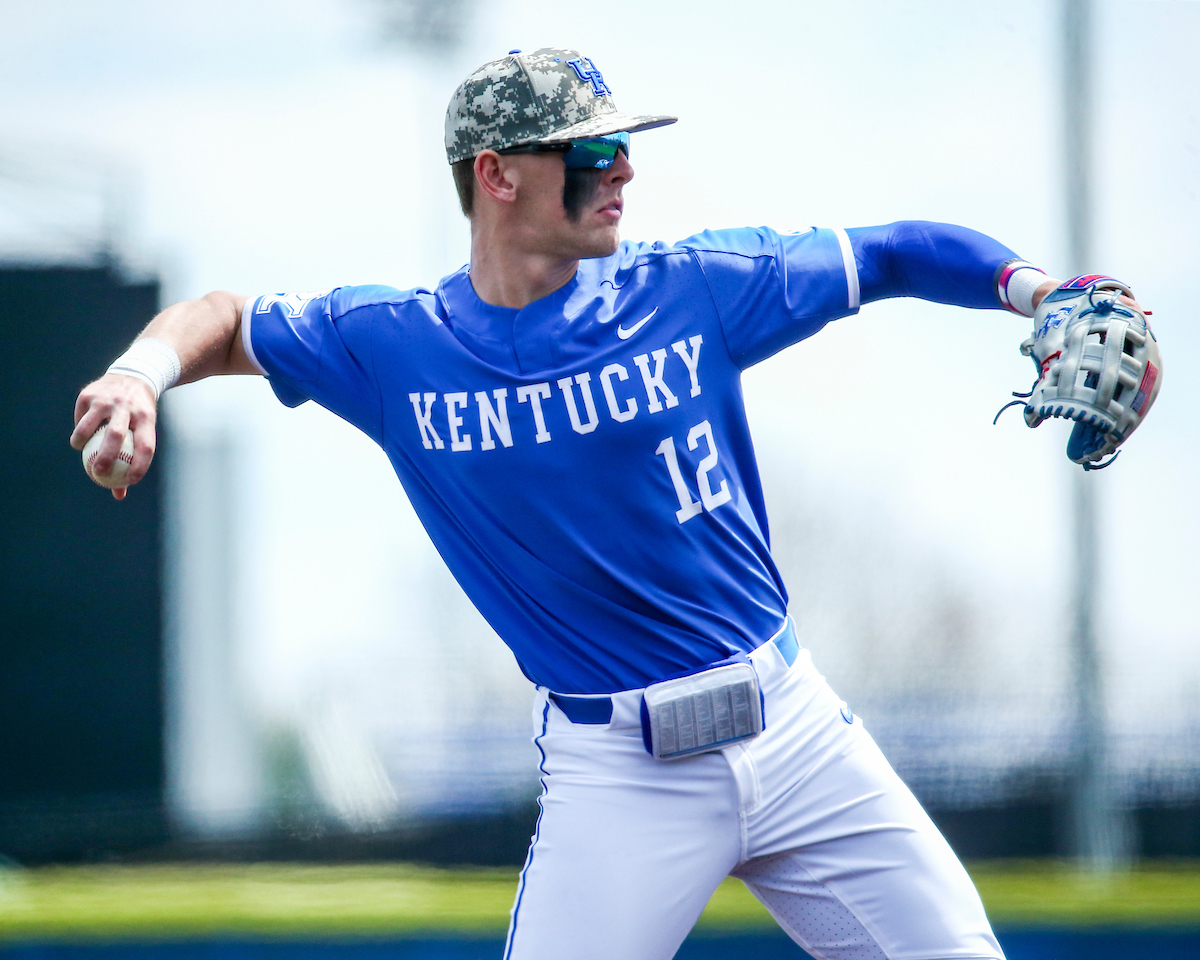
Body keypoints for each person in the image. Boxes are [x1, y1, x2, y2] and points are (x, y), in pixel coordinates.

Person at [72, 48, 1133, 960]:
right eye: (587, 151)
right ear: (496, 175)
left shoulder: (696, 288)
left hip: (799, 733)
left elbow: (893, 250)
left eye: (621, 144)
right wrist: (135, 376)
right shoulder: (395, 344)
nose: (622, 166)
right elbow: (222, 317)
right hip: (622, 776)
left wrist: (1048, 292)